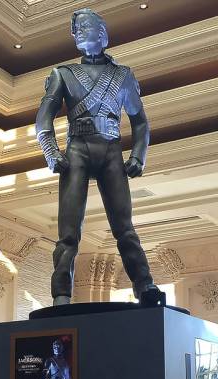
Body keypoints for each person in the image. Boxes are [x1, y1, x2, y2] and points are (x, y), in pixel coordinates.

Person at [36, 8, 162, 306]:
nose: (78, 31)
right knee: (68, 232)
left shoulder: (123, 76)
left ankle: (144, 286)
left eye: (86, 26)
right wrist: (52, 152)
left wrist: (138, 156)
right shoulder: (62, 75)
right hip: (77, 149)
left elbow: (140, 121)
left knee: (124, 228)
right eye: (76, 28)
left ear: (103, 33)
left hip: (111, 151)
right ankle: (61, 295)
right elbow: (43, 120)